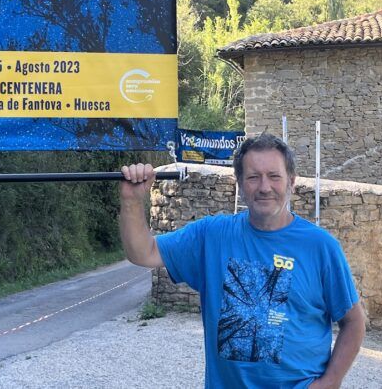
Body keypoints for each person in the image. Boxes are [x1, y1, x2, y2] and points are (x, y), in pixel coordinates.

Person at [119, 133, 365, 388]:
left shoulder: (321, 247)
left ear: (291, 182)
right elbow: (143, 253)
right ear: (239, 183)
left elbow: (354, 321)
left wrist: (331, 381)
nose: (264, 187)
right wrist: (131, 200)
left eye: (274, 176)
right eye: (253, 177)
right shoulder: (211, 236)